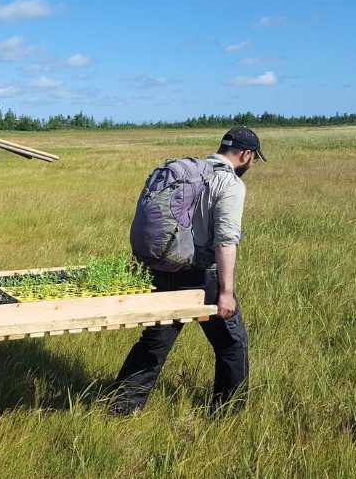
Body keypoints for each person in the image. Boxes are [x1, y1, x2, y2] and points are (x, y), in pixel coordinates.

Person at [109, 126, 267, 416]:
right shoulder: (229, 183)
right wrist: (226, 291)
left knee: (155, 343)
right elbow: (226, 239)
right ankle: (226, 414)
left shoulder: (191, 172)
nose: (252, 164)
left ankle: (120, 408)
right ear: (246, 155)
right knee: (232, 344)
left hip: (164, 268)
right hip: (201, 276)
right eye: (254, 159)